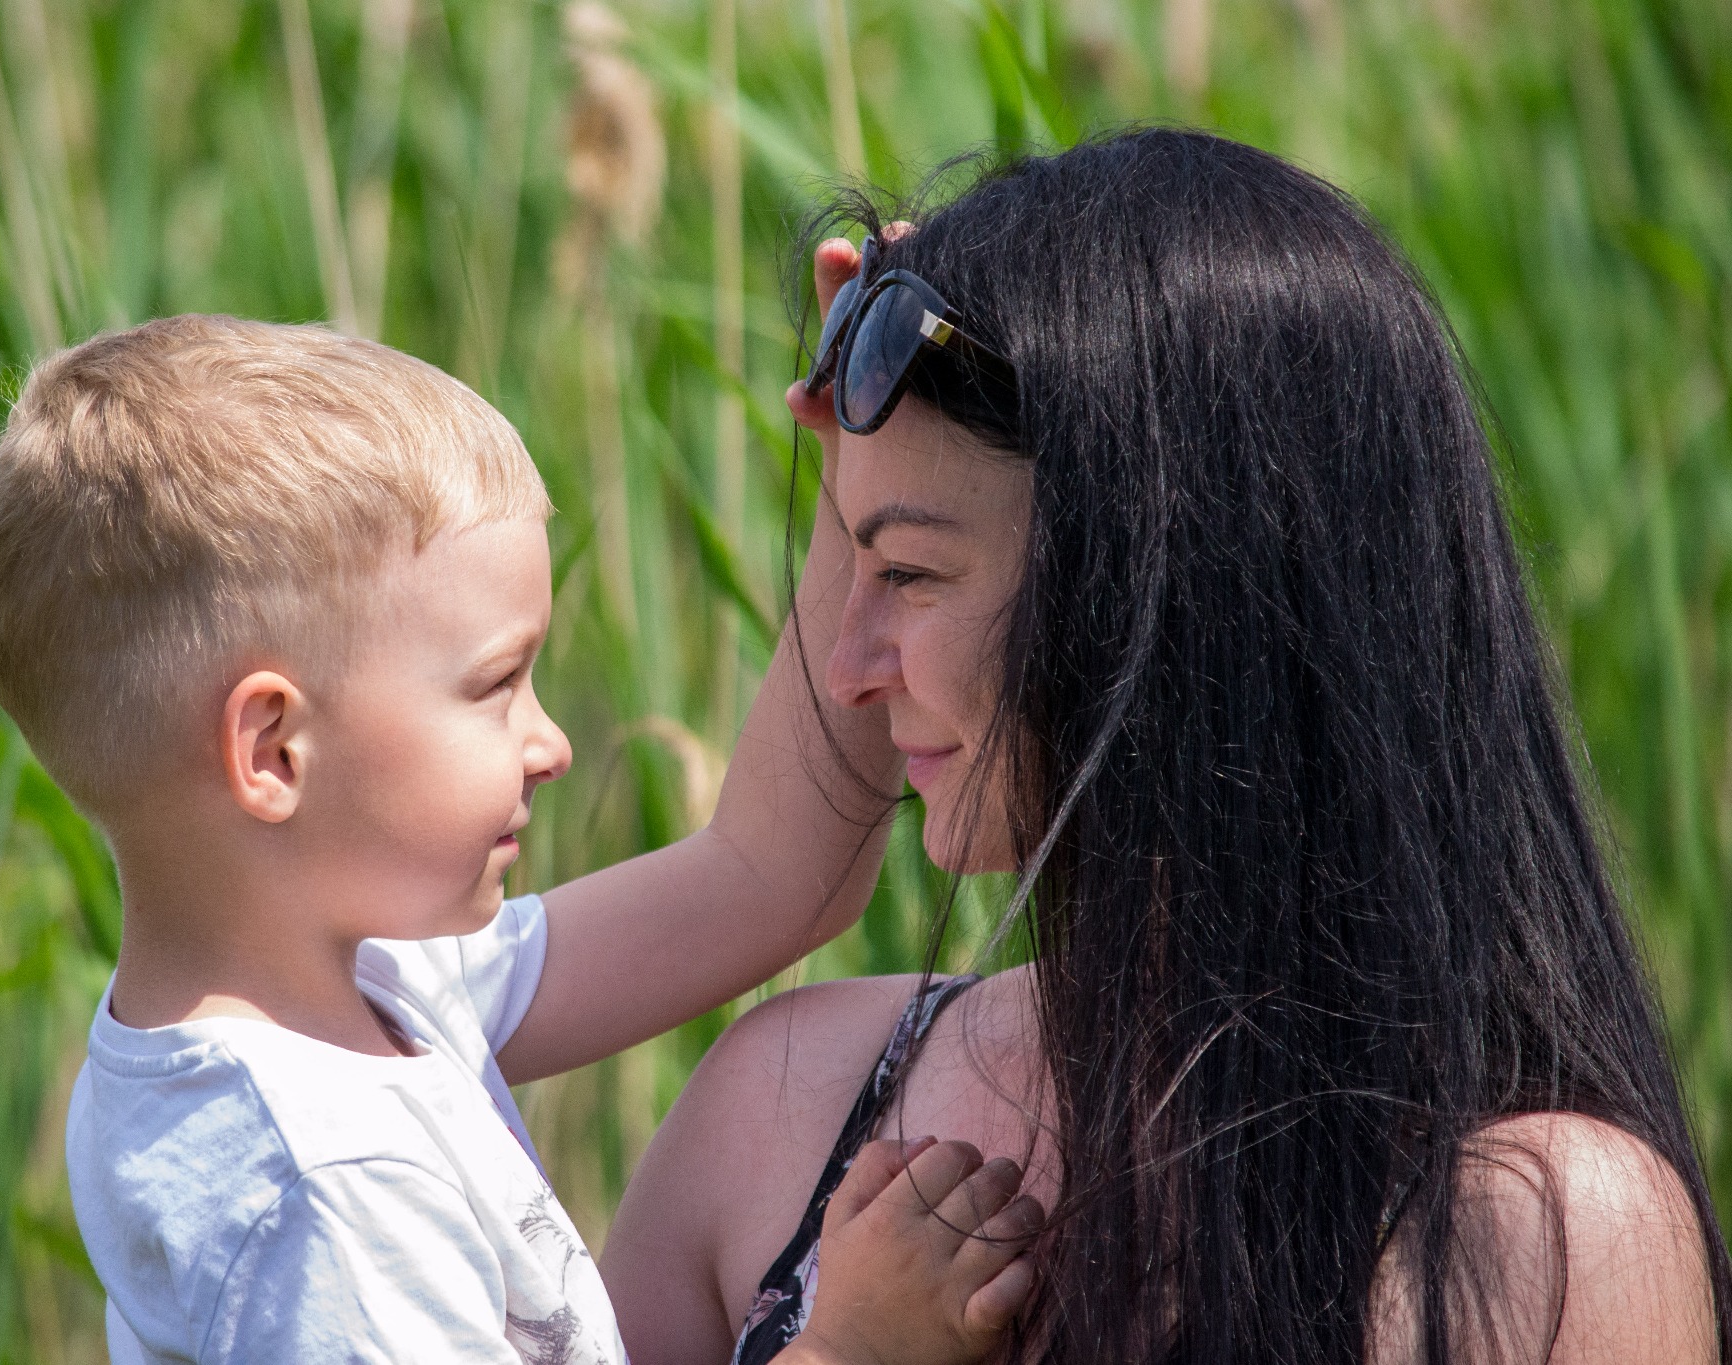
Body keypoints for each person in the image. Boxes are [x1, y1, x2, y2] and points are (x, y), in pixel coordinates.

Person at [602, 130, 1732, 1364]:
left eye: (911, 574)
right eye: (850, 566)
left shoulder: (1538, 1239)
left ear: (1176, 597)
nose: (846, 665)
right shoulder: (780, 1107)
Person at [0, 314, 1041, 1364]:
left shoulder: (369, 990)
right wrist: (848, 1344)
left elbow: (765, 880)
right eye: (493, 688)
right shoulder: (323, 1191)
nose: (551, 742)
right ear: (275, 750)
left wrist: (857, 470)